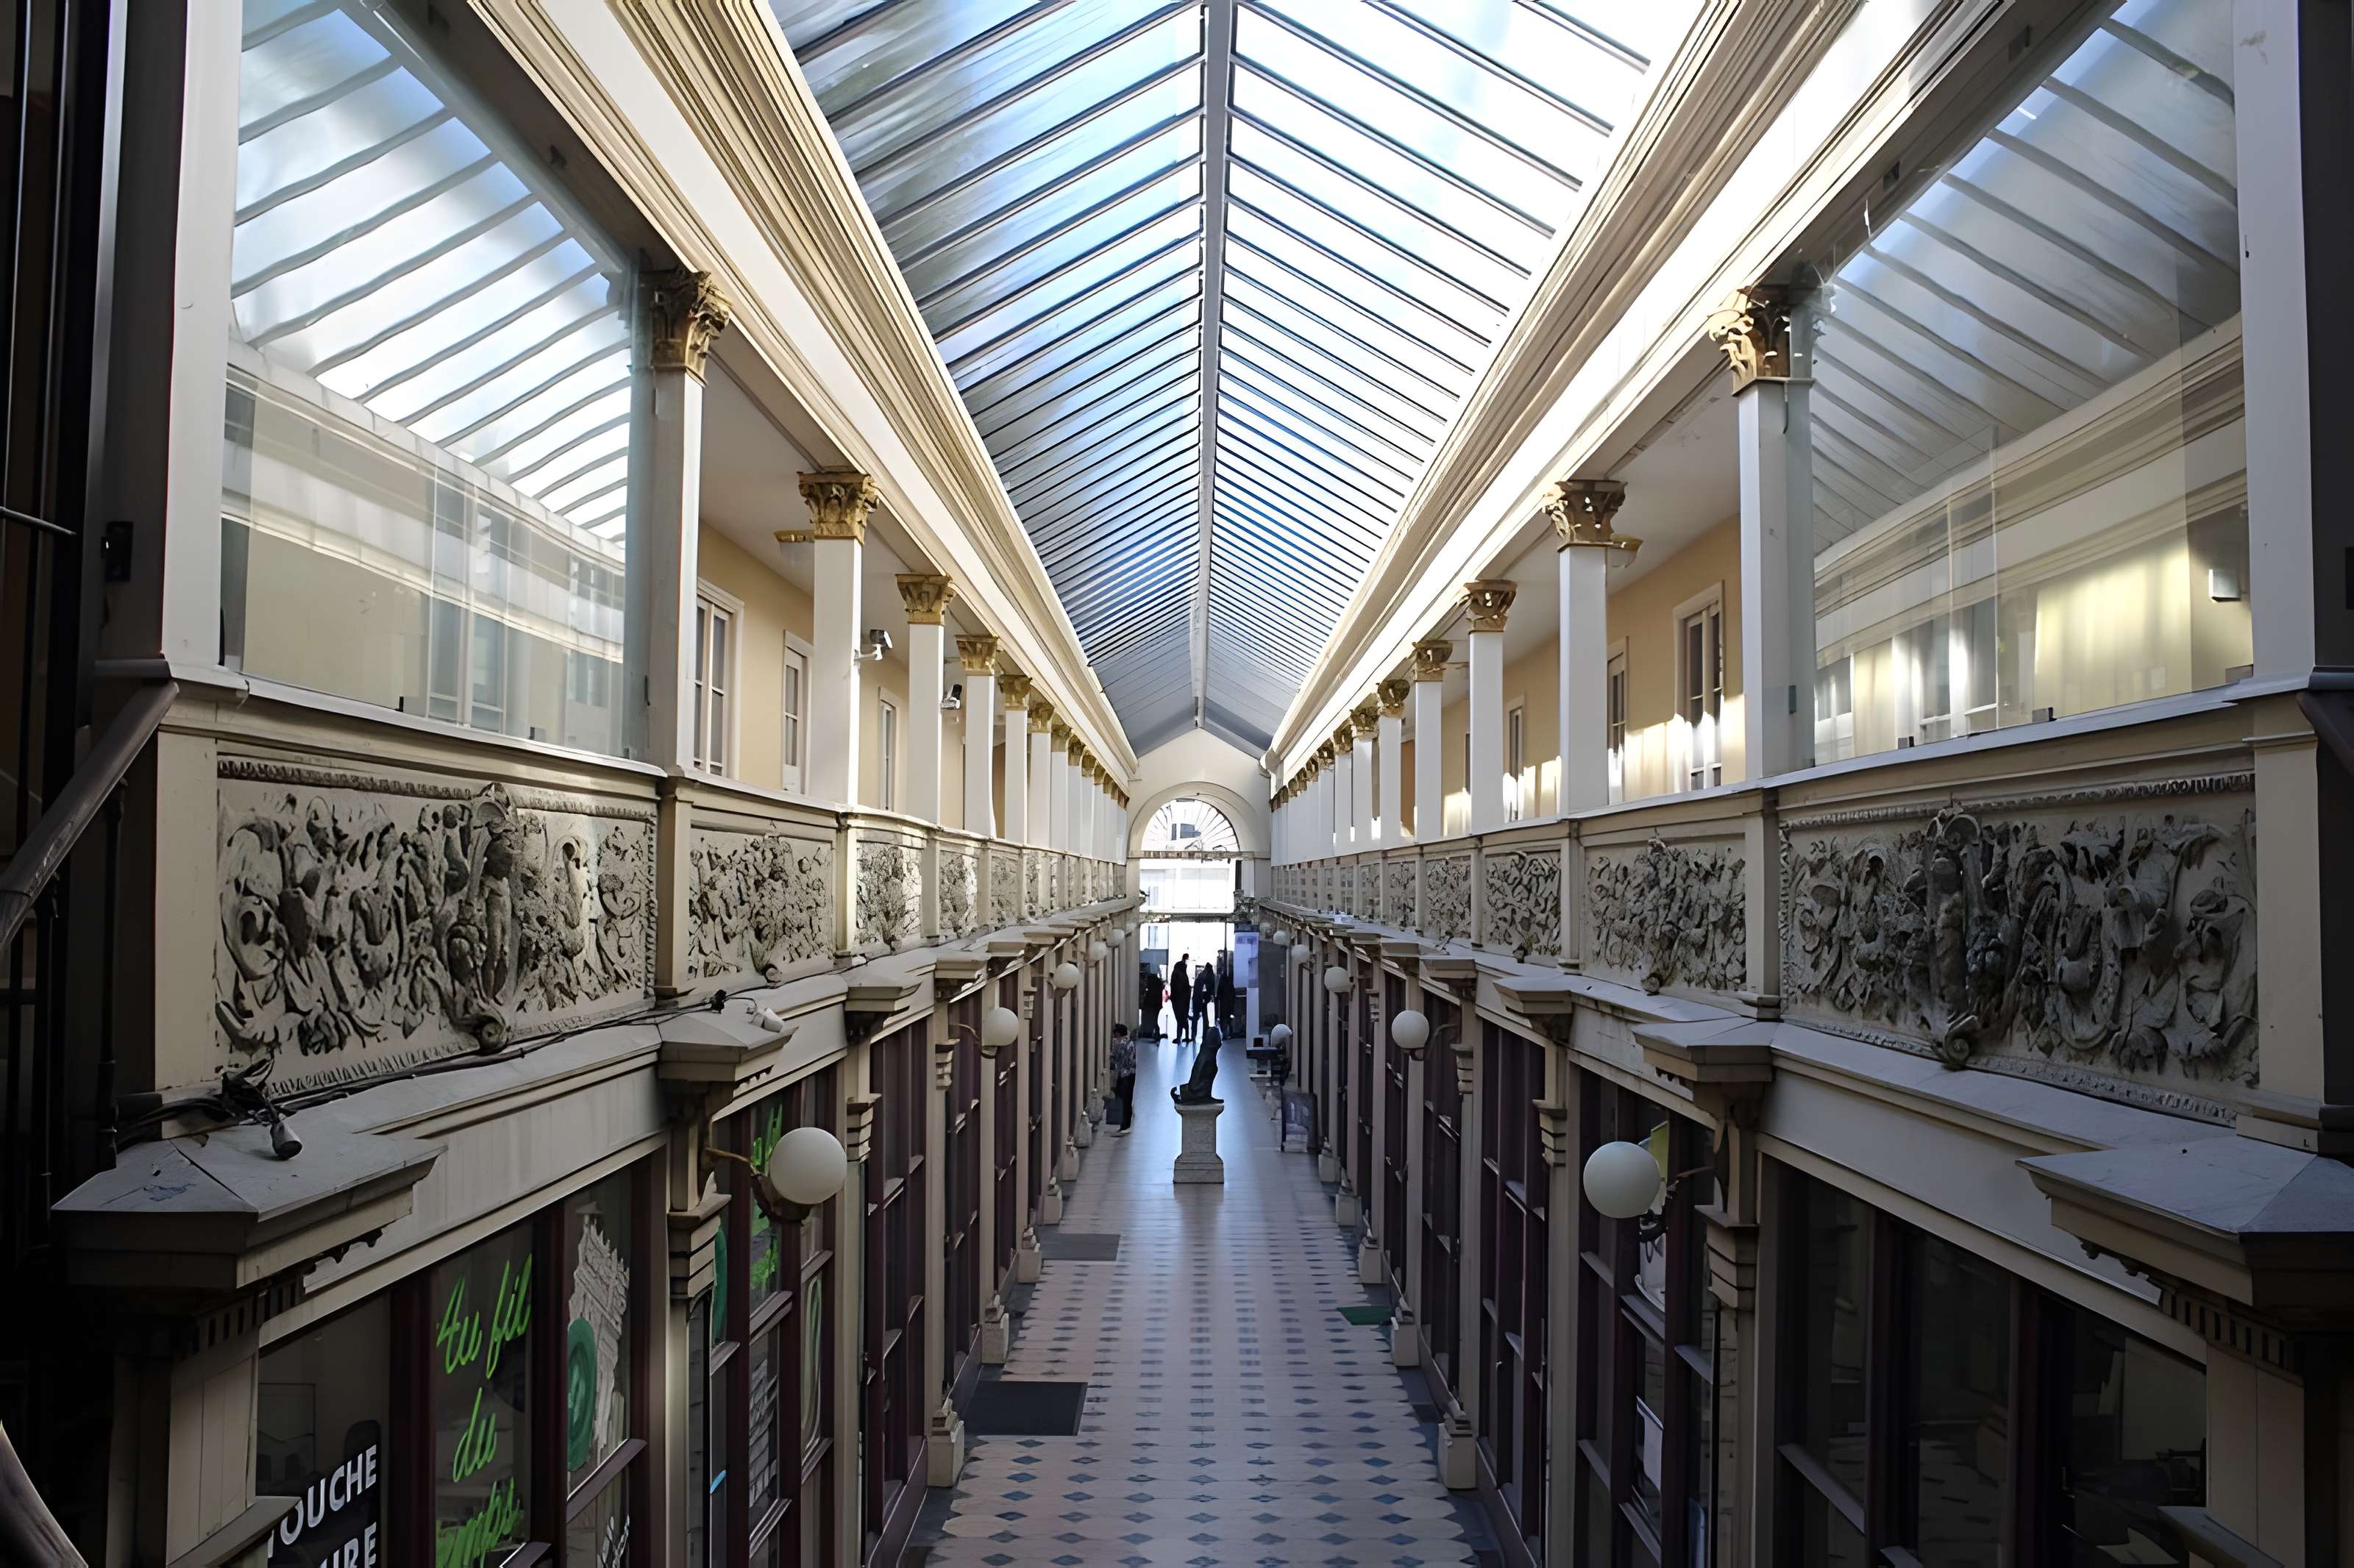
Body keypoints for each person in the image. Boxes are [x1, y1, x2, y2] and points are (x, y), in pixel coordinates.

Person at [1107, 1024, 1137, 1133]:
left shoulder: (1123, 1045)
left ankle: (1125, 1126)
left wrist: (1113, 1061)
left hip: (1126, 1075)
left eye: (1114, 1034)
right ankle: (1124, 1124)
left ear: (1118, 1034)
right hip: (1127, 1075)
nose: (1113, 1036)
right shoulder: (1129, 1043)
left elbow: (1123, 1062)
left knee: (1125, 1100)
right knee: (1125, 1100)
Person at [1169, 955, 1192, 1044]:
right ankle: (1186, 1036)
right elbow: (1187, 988)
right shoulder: (1184, 975)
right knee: (1183, 1019)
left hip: (1178, 1001)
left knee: (1179, 1019)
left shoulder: (1176, 974)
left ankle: (1179, 1037)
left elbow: (1175, 988)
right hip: (1184, 1001)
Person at [1139, 963, 1164, 1040]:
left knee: (1153, 1020)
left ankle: (1155, 1034)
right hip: (1156, 1006)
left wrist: (1145, 1003)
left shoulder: (1152, 989)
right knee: (1155, 1020)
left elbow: (1150, 998)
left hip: (1152, 1006)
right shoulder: (1158, 985)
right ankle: (1156, 1034)